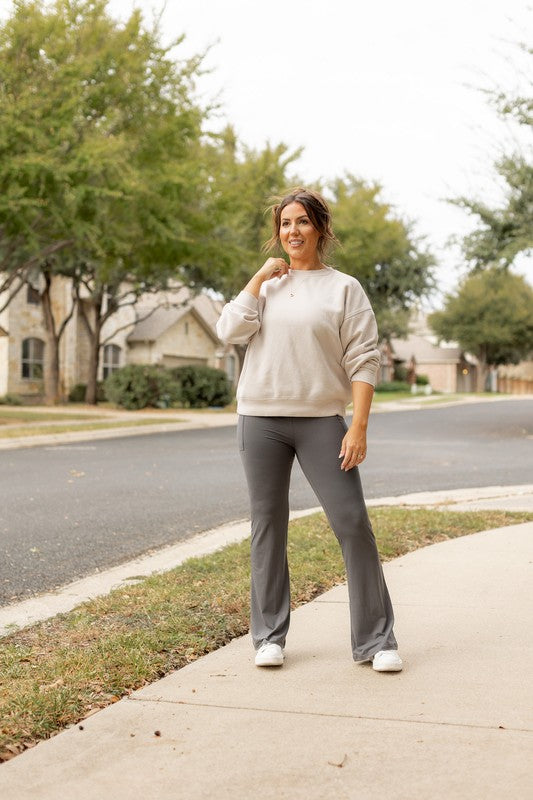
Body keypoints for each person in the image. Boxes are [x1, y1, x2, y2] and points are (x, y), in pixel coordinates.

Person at [215, 187, 402, 673]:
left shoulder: (345, 288)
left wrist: (357, 426)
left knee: (352, 522)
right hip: (260, 419)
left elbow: (363, 359)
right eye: (284, 224)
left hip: (322, 421)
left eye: (301, 222)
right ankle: (269, 636)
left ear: (319, 227)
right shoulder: (267, 287)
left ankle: (377, 640)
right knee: (267, 525)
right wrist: (257, 278)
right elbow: (228, 332)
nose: (291, 232)